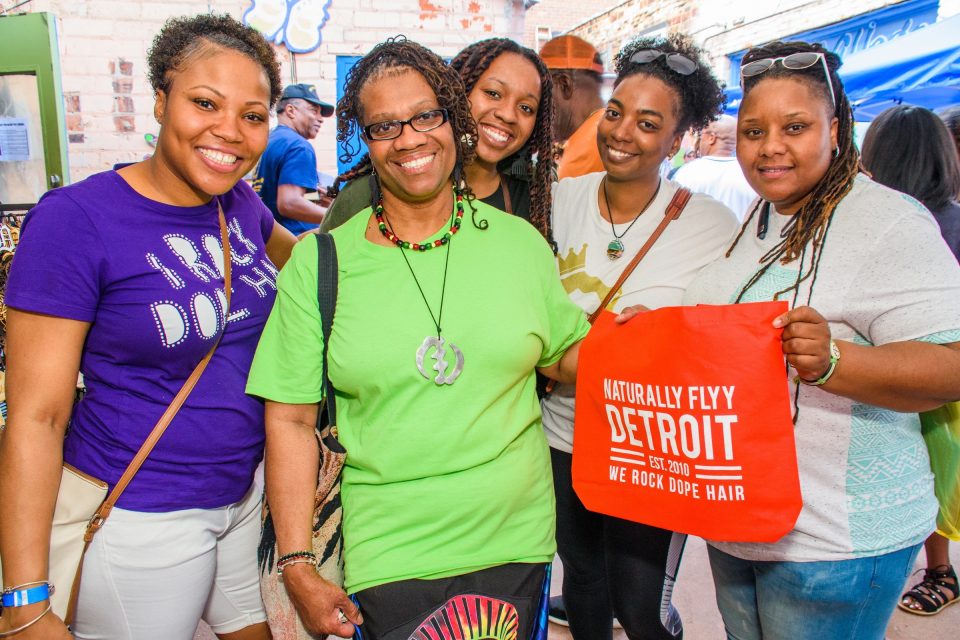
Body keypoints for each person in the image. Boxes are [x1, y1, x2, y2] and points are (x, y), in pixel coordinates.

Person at [245, 37, 590, 640]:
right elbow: (291, 421)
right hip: (390, 550)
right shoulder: (320, 263)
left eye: (426, 115)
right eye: (384, 126)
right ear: (365, 140)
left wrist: (669, 344)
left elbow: (568, 357)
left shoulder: (521, 245)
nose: (409, 139)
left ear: (455, 121)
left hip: (517, 540)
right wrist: (298, 564)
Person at [0, 14, 296, 640]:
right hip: (141, 515)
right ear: (160, 100)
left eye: (253, 114)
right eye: (205, 103)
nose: (230, 132)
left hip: (240, 496)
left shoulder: (238, 204)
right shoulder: (76, 221)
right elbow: (35, 417)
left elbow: (307, 267)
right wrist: (25, 600)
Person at [682, 41, 960, 640]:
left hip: (836, 539)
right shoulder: (754, 222)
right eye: (753, 130)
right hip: (739, 520)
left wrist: (837, 361)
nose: (770, 146)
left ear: (836, 131)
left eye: (796, 126)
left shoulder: (887, 220)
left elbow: (953, 366)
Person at [543, 34, 737, 640]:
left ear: (676, 141)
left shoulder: (709, 224)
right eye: (616, 112)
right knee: (581, 583)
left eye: (648, 123)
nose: (623, 132)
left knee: (640, 602)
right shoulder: (556, 199)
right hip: (561, 434)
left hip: (646, 448)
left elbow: (716, 342)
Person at [860, 104, 960, 615]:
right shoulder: (946, 220)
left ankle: (939, 570)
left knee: (933, 484)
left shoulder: (892, 228)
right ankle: (939, 570)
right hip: (927, 384)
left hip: (911, 381)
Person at [320, 37, 555, 240]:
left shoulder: (535, 195)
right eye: (493, 93)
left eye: (526, 108)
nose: (507, 114)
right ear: (454, 93)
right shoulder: (367, 194)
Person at [253, 83, 334, 235]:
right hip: (293, 243)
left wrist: (314, 195)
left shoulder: (270, 140)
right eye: (314, 111)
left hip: (268, 239)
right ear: (291, 110)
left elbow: (274, 193)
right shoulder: (298, 146)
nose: (320, 118)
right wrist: (335, 216)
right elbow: (289, 203)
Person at [540, 34, 605, 180]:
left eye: (542, 94)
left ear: (564, 84)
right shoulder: (602, 131)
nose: (539, 109)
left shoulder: (587, 150)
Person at [672, 114, 757, 220]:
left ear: (711, 138)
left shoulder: (688, 173)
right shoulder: (751, 175)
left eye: (701, 135)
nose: (699, 141)